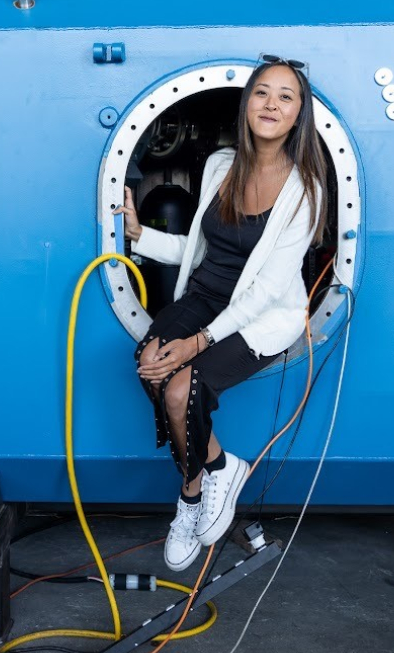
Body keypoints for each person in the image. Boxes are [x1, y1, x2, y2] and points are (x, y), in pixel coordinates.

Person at [114, 55, 327, 571]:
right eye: (262, 92)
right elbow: (202, 249)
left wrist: (200, 342)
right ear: (246, 102)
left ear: (299, 115)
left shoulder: (305, 190)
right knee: (150, 359)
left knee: (183, 386)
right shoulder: (220, 165)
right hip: (205, 296)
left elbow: (266, 289)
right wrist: (141, 235)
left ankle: (189, 496)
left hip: (257, 317)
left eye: (285, 96)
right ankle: (215, 467)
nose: (271, 104)